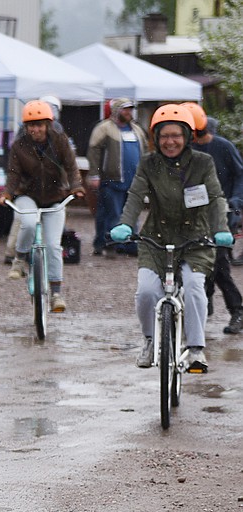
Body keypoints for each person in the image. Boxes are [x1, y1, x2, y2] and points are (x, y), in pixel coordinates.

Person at [110, 103, 231, 373]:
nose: (170, 141)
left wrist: (220, 228)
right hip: (156, 238)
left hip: (194, 239)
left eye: (176, 135)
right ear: (156, 137)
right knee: (146, 292)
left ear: (187, 136)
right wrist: (125, 224)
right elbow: (134, 196)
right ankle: (151, 341)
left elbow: (214, 197)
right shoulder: (148, 163)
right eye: (164, 136)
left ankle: (196, 350)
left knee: (194, 286)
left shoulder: (203, 162)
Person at [0, 100, 85, 313]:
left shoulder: (60, 142)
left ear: (48, 124)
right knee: (27, 222)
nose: (35, 129)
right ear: (25, 127)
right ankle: (19, 259)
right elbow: (13, 173)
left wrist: (76, 187)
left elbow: (72, 167)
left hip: (55, 197)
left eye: (39, 124)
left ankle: (56, 293)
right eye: (31, 125)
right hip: (27, 195)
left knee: (54, 245)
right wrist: (8, 192)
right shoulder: (19, 146)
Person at [190, 113, 243, 334]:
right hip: (193, 215)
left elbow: (240, 174)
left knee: (219, 264)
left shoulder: (224, 147)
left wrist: (236, 200)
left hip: (222, 214)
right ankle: (204, 304)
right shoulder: (187, 148)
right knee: (197, 263)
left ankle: (237, 311)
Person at [87, 97, 147, 258]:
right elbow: (93, 152)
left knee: (132, 213)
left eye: (130, 109)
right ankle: (107, 244)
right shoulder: (104, 128)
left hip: (134, 181)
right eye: (125, 109)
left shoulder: (137, 129)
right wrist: (94, 174)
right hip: (111, 179)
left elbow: (145, 152)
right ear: (116, 111)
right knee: (111, 214)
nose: (129, 112)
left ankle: (130, 244)